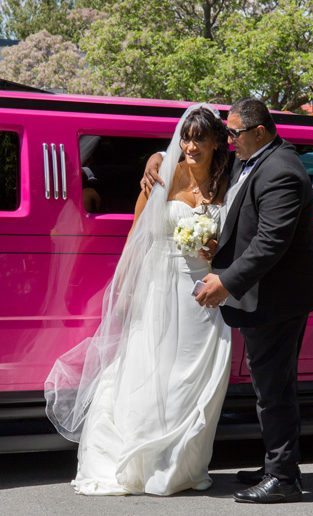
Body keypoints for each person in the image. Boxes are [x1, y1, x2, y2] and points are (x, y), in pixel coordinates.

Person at [142, 97, 313, 504]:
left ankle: (283, 478)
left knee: (273, 388)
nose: (228, 140)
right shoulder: (253, 158)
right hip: (266, 294)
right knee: (272, 384)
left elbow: (270, 243)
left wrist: (225, 282)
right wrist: (156, 157)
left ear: (259, 132)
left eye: (234, 133)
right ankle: (274, 463)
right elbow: (191, 154)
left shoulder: (282, 171)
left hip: (278, 297)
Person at [44, 105, 232, 496]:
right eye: (186, 137)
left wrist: (215, 245)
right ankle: (140, 464)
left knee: (197, 382)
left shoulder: (226, 183)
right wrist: (126, 288)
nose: (191, 145)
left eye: (200, 138)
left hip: (204, 291)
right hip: (159, 287)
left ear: (217, 141)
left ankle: (180, 467)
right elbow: (136, 233)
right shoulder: (162, 174)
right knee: (151, 372)